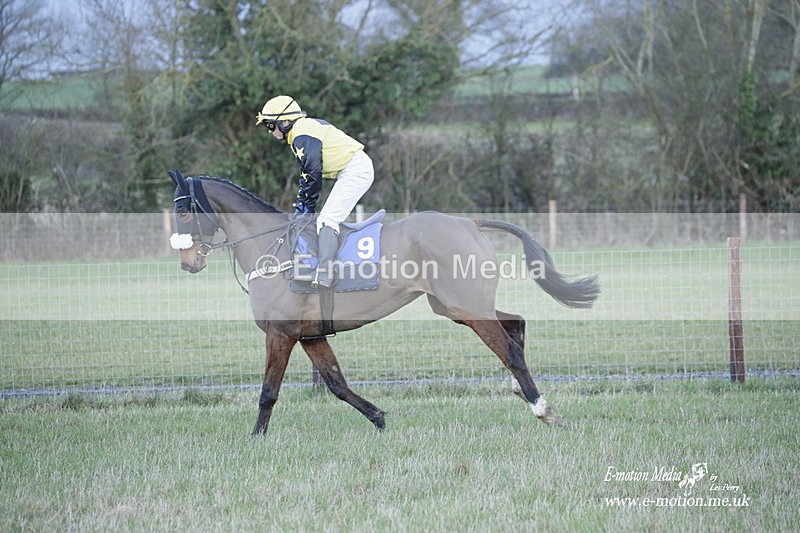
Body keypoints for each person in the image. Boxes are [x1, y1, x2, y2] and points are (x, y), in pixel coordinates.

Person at [256, 95, 374, 288]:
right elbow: (308, 176)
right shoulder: (301, 130)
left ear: (285, 122)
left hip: (356, 170)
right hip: (351, 169)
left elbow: (312, 174)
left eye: (271, 125)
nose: (270, 131)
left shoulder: (302, 134)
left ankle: (326, 273)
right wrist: (302, 204)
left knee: (327, 219)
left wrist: (305, 207)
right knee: (320, 218)